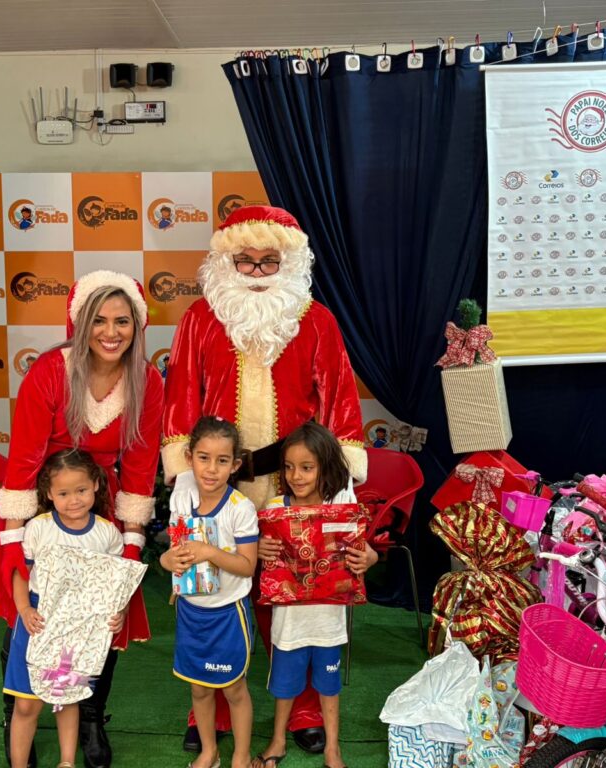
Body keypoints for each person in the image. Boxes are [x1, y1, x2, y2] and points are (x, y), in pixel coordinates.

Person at [162, 205, 367, 754]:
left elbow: (340, 398)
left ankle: (302, 708)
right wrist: (184, 479)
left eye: (268, 261)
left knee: (297, 596)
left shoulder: (318, 320)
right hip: (215, 481)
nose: (256, 273)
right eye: (245, 262)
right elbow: (180, 396)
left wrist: (341, 484)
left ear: (289, 262)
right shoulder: (199, 319)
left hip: (293, 483)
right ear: (225, 263)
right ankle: (208, 702)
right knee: (210, 592)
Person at [0, 270, 164, 768]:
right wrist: (13, 543)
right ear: (81, 323)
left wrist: (130, 546)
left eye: (122, 321)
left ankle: (89, 717)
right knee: (29, 610)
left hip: (102, 506)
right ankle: (16, 712)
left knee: (99, 621)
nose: (111, 332)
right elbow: (24, 459)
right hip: (42, 500)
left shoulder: (148, 381)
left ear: (137, 326)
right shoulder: (50, 371)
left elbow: (140, 466)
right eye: (99, 320)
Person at [253, 423, 378, 768]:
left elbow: (365, 551)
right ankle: (277, 740)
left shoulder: (341, 506)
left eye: (307, 467)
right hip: (289, 623)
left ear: (326, 466)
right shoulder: (276, 507)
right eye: (289, 467)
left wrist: (369, 558)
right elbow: (260, 552)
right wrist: (260, 548)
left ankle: (332, 748)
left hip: (328, 623)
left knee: (329, 685)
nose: (296, 476)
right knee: (284, 685)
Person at [5, 449, 126, 768]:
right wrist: (24, 609)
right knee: (26, 704)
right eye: (63, 493)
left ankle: (67, 762)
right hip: (38, 621)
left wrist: (119, 613)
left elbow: (115, 583)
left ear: (96, 485)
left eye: (81, 490)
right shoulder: (38, 528)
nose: (74, 500)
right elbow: (21, 573)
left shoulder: (107, 533)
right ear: (48, 493)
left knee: (67, 697)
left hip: (78, 627)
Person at [161, 417, 258, 768]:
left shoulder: (240, 508)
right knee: (199, 688)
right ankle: (209, 751)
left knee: (234, 689)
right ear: (189, 458)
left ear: (235, 464)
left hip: (228, 613)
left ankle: (241, 756)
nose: (212, 469)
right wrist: (167, 560)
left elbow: (247, 566)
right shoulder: (182, 500)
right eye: (203, 458)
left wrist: (210, 552)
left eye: (222, 460)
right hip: (190, 611)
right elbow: (171, 554)